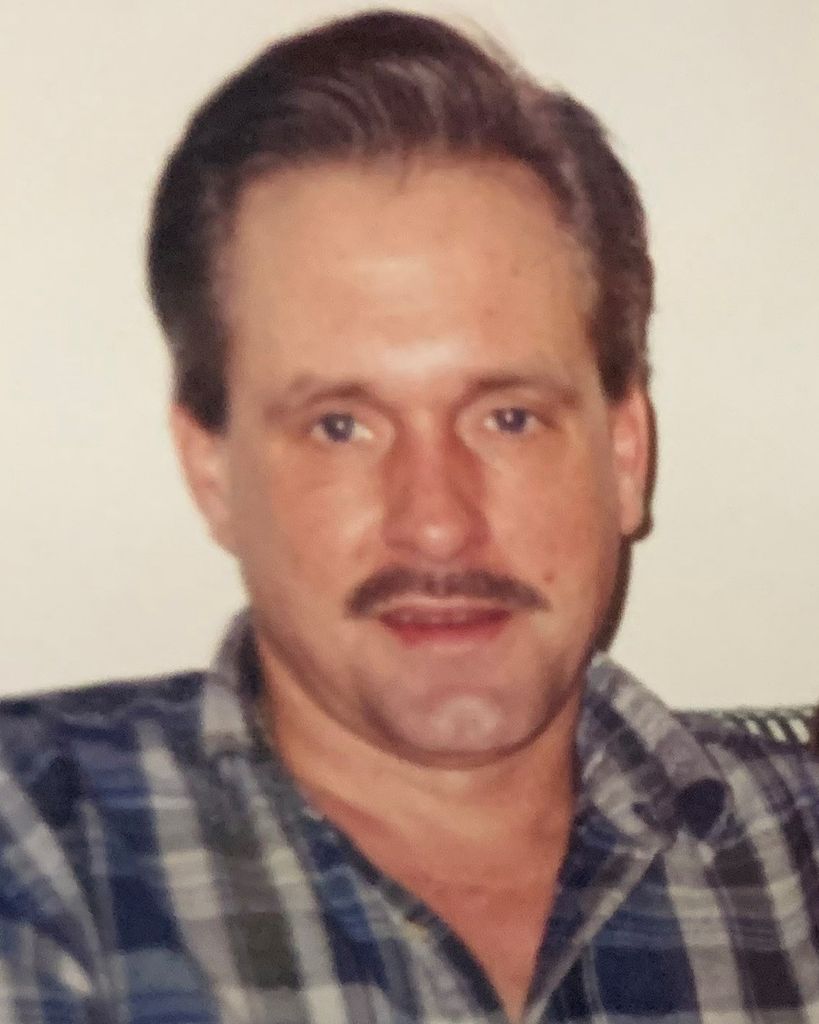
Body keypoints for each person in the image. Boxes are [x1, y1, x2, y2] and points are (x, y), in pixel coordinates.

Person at [1, 9, 817, 1023]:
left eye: (508, 417)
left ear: (624, 455)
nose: (436, 524)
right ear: (212, 472)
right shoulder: (42, 854)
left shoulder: (795, 855)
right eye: (341, 426)